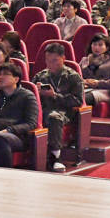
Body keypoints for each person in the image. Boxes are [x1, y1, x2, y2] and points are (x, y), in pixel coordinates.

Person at [32, 43, 84, 172]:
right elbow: (28, 96)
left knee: (54, 117)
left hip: (64, 111)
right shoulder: (40, 76)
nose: (50, 64)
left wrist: (55, 96)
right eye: (47, 61)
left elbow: (77, 101)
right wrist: (36, 92)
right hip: (42, 109)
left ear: (63, 59)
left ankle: (56, 157)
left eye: (54, 60)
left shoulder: (73, 77)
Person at [79, 34, 110, 107]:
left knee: (81, 99)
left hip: (104, 91)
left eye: (100, 45)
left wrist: (98, 83)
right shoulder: (85, 60)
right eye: (94, 44)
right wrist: (83, 81)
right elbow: (76, 76)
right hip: (85, 89)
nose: (96, 47)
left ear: (107, 47)